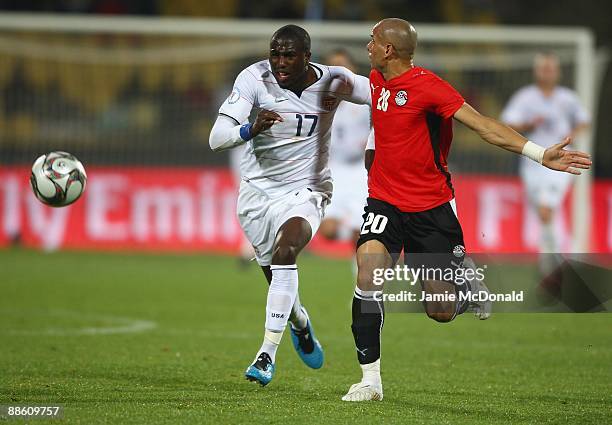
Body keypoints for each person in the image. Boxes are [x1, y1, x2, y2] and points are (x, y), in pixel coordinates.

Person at [341, 18, 592, 402]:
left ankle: (466, 290)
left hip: (431, 209)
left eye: (372, 41)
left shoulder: (429, 87)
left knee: (439, 310)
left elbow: (483, 126)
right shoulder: (375, 81)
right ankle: (370, 380)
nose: (368, 46)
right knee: (369, 272)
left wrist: (540, 153)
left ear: (389, 49)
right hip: (384, 203)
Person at [209, 24, 371, 387]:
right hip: (257, 195)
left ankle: (266, 355)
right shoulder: (254, 78)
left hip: (308, 188)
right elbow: (216, 138)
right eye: (275, 53)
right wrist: (249, 129)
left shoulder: (335, 81)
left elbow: (385, 97)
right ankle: (300, 322)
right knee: (276, 277)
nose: (280, 62)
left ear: (307, 57)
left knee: (287, 252)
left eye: (289, 55)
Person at [501, 53, 589, 269]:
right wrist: (528, 125)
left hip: (562, 161)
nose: (548, 72)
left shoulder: (568, 98)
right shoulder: (525, 97)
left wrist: (571, 135)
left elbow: (584, 121)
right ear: (536, 72)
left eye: (551, 69)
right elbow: (507, 123)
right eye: (544, 68)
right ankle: (553, 259)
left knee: (546, 209)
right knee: (546, 213)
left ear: (557, 72)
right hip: (533, 161)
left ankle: (559, 262)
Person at [318, 49, 371, 246]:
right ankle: (353, 236)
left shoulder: (366, 97)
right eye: (334, 67)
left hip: (360, 170)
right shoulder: (316, 102)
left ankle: (364, 270)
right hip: (333, 170)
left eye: (343, 66)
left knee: (364, 229)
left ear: (353, 70)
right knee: (328, 231)